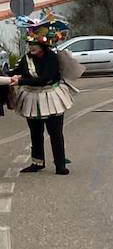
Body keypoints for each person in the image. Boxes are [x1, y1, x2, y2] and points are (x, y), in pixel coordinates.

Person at [9, 11, 75, 175]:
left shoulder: (51, 58)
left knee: (55, 133)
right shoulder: (26, 58)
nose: (30, 47)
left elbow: (45, 78)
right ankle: (37, 163)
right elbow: (16, 71)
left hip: (51, 97)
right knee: (35, 133)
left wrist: (21, 81)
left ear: (42, 45)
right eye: (29, 44)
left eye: (34, 45)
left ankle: (60, 165)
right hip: (32, 98)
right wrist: (9, 76)